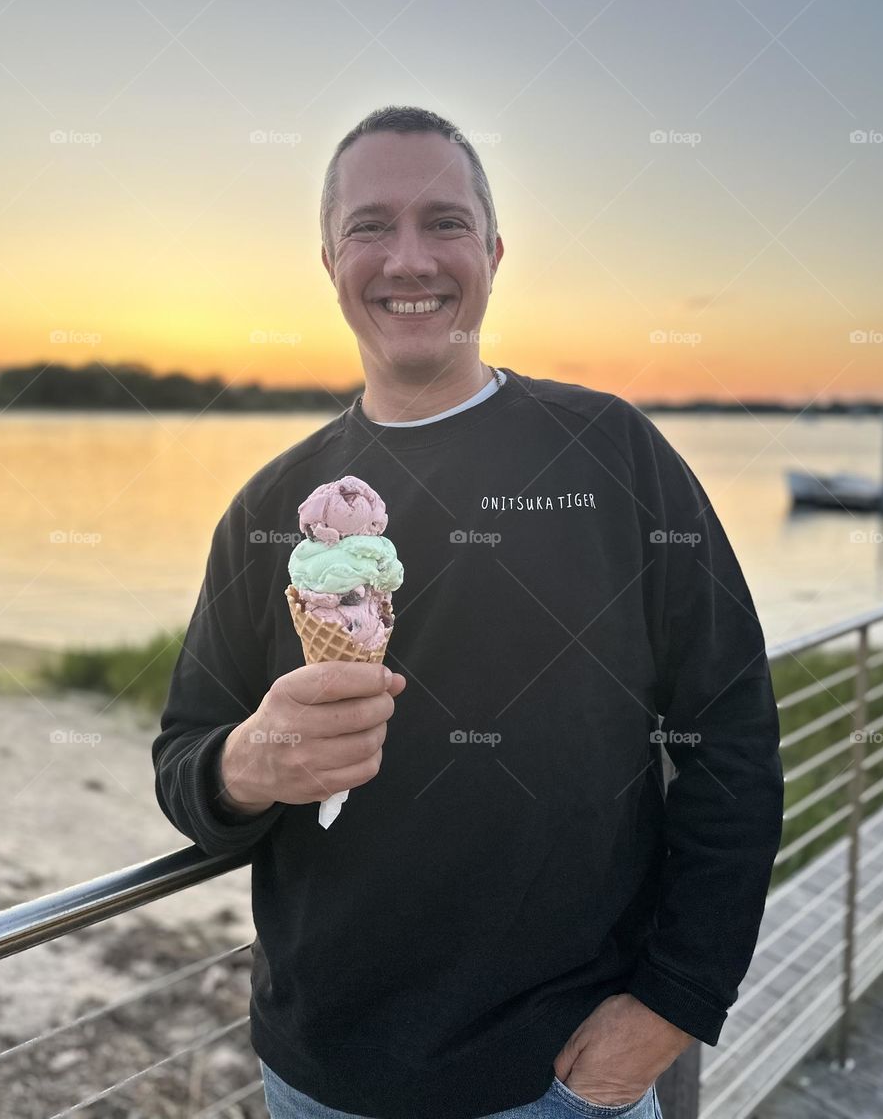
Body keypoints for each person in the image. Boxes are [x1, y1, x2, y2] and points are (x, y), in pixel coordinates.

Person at [152, 105, 784, 1119]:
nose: (409, 259)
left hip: (563, 1077)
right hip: (319, 1075)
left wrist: (675, 1002)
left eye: (444, 222)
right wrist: (248, 764)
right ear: (328, 258)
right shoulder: (273, 508)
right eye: (370, 227)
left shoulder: (610, 454)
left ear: (492, 251)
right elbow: (185, 761)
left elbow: (734, 737)